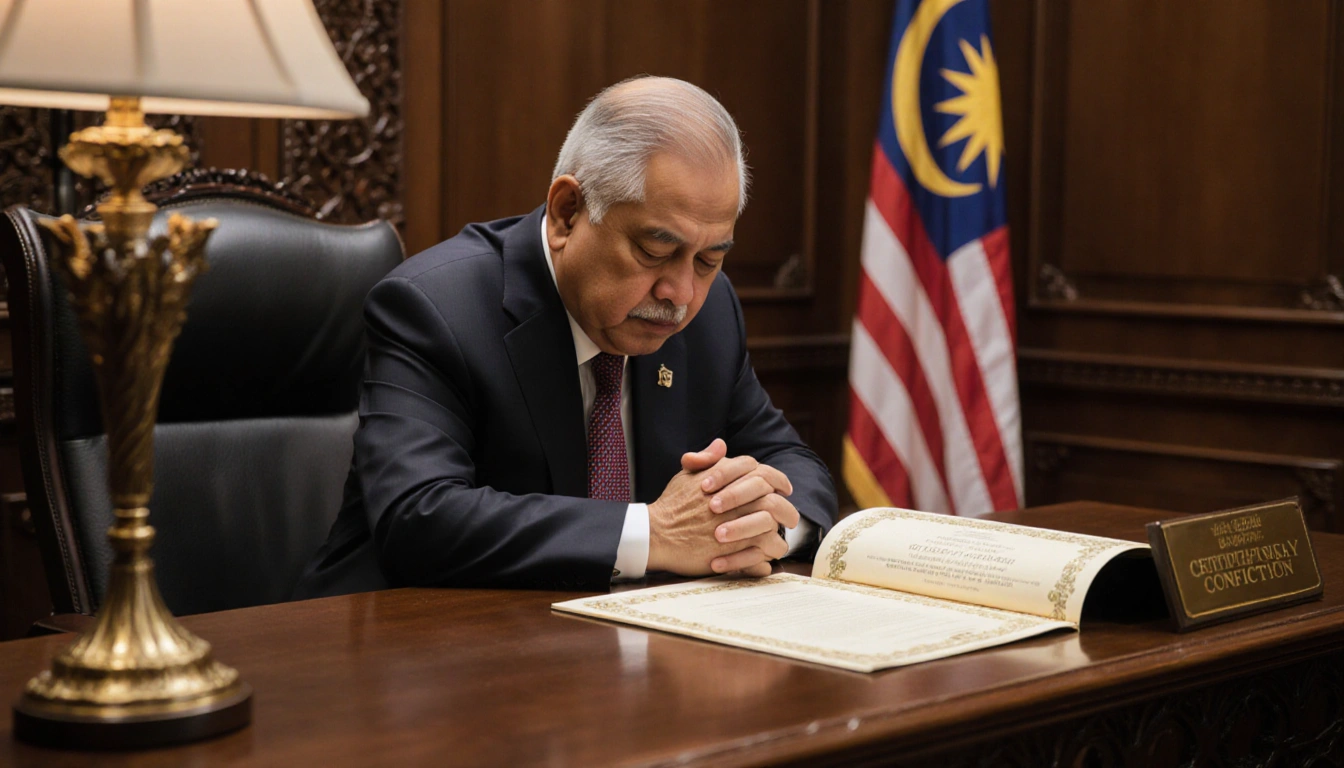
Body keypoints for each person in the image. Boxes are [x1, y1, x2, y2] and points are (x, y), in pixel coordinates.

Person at [295, 76, 837, 597]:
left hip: (617, 636)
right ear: (567, 214)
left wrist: (753, 528)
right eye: (655, 251)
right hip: (404, 638)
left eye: (709, 260)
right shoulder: (434, 308)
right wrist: (655, 532)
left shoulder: (710, 312)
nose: (680, 293)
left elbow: (793, 465)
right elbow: (418, 516)